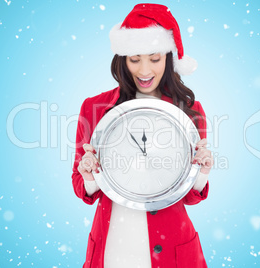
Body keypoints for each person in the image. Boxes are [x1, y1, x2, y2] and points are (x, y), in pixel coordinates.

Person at [72, 3, 213, 268]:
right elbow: (81, 187)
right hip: (115, 245)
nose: (144, 70)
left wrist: (201, 172)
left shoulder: (190, 111)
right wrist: (90, 175)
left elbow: (190, 198)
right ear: (123, 59)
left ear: (168, 58)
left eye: (155, 58)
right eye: (135, 59)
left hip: (172, 248)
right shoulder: (94, 109)